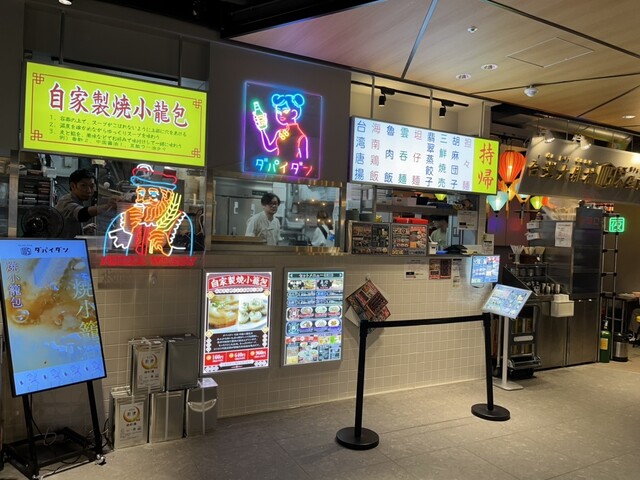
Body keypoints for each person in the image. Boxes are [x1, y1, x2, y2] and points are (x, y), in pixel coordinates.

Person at [55, 168, 117, 238]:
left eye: (92, 186)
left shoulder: (77, 200)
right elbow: (82, 214)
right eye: (83, 185)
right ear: (73, 186)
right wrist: (107, 206)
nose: (89, 190)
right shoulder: (66, 202)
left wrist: (83, 230)